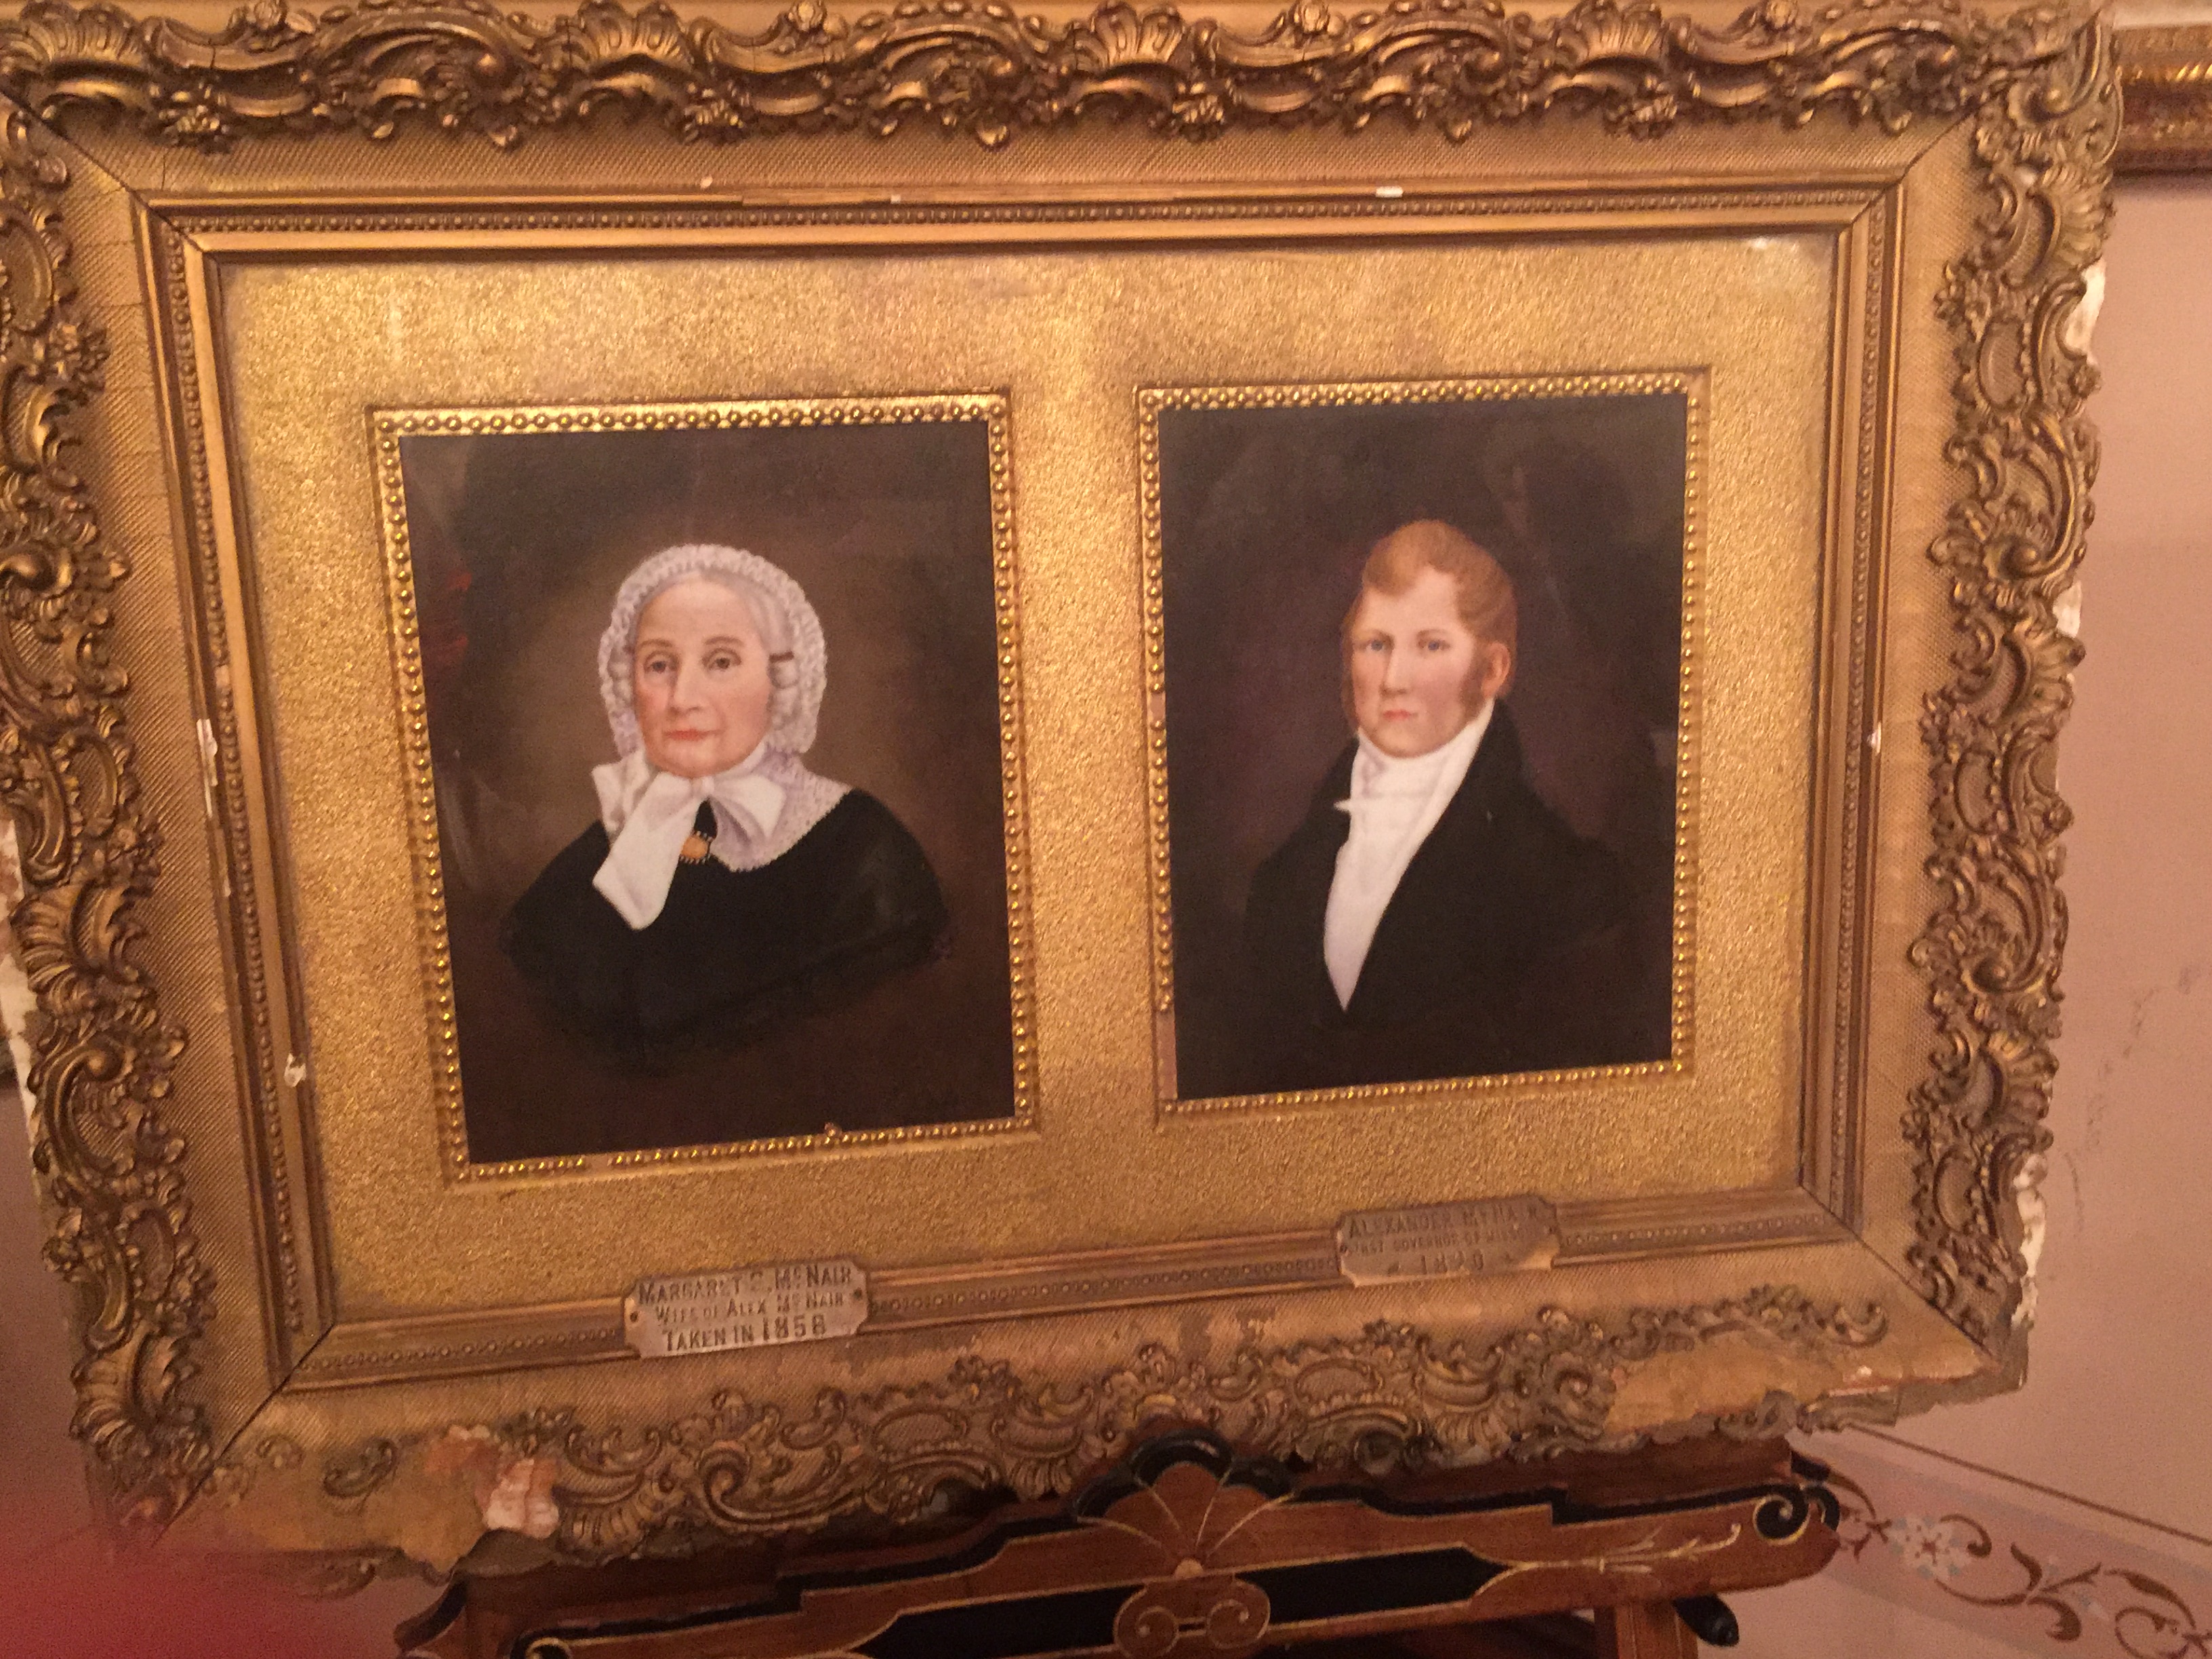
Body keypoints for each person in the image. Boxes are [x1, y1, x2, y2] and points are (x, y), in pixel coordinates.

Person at [1241, 520, 1661, 1090]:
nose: (1393, 680)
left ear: (1492, 669)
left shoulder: (1572, 893)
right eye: (1375, 644)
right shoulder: (1279, 885)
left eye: (1431, 645)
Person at [501, 544, 948, 1067]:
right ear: (629, 685)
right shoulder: (592, 865)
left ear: (779, 683)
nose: (682, 698)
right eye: (659, 664)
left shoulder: (864, 852)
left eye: (721, 662)